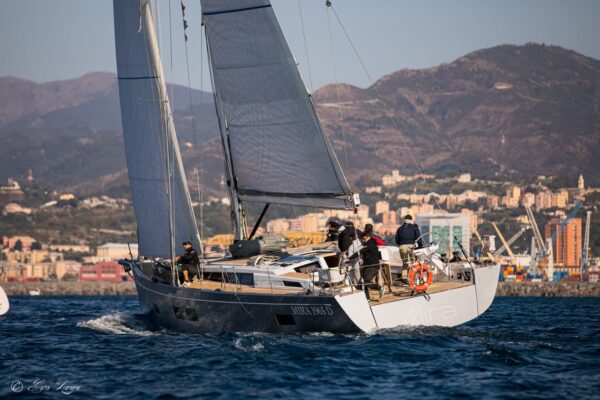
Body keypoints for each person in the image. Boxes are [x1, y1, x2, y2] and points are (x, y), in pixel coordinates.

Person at [359, 230, 384, 300]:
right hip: (368, 266)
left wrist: (349, 258)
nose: (363, 240)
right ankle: (367, 298)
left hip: (373, 267)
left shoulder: (371, 245)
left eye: (364, 239)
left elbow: (362, 251)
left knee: (365, 282)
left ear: (368, 237)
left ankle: (379, 287)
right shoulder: (370, 243)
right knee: (361, 282)